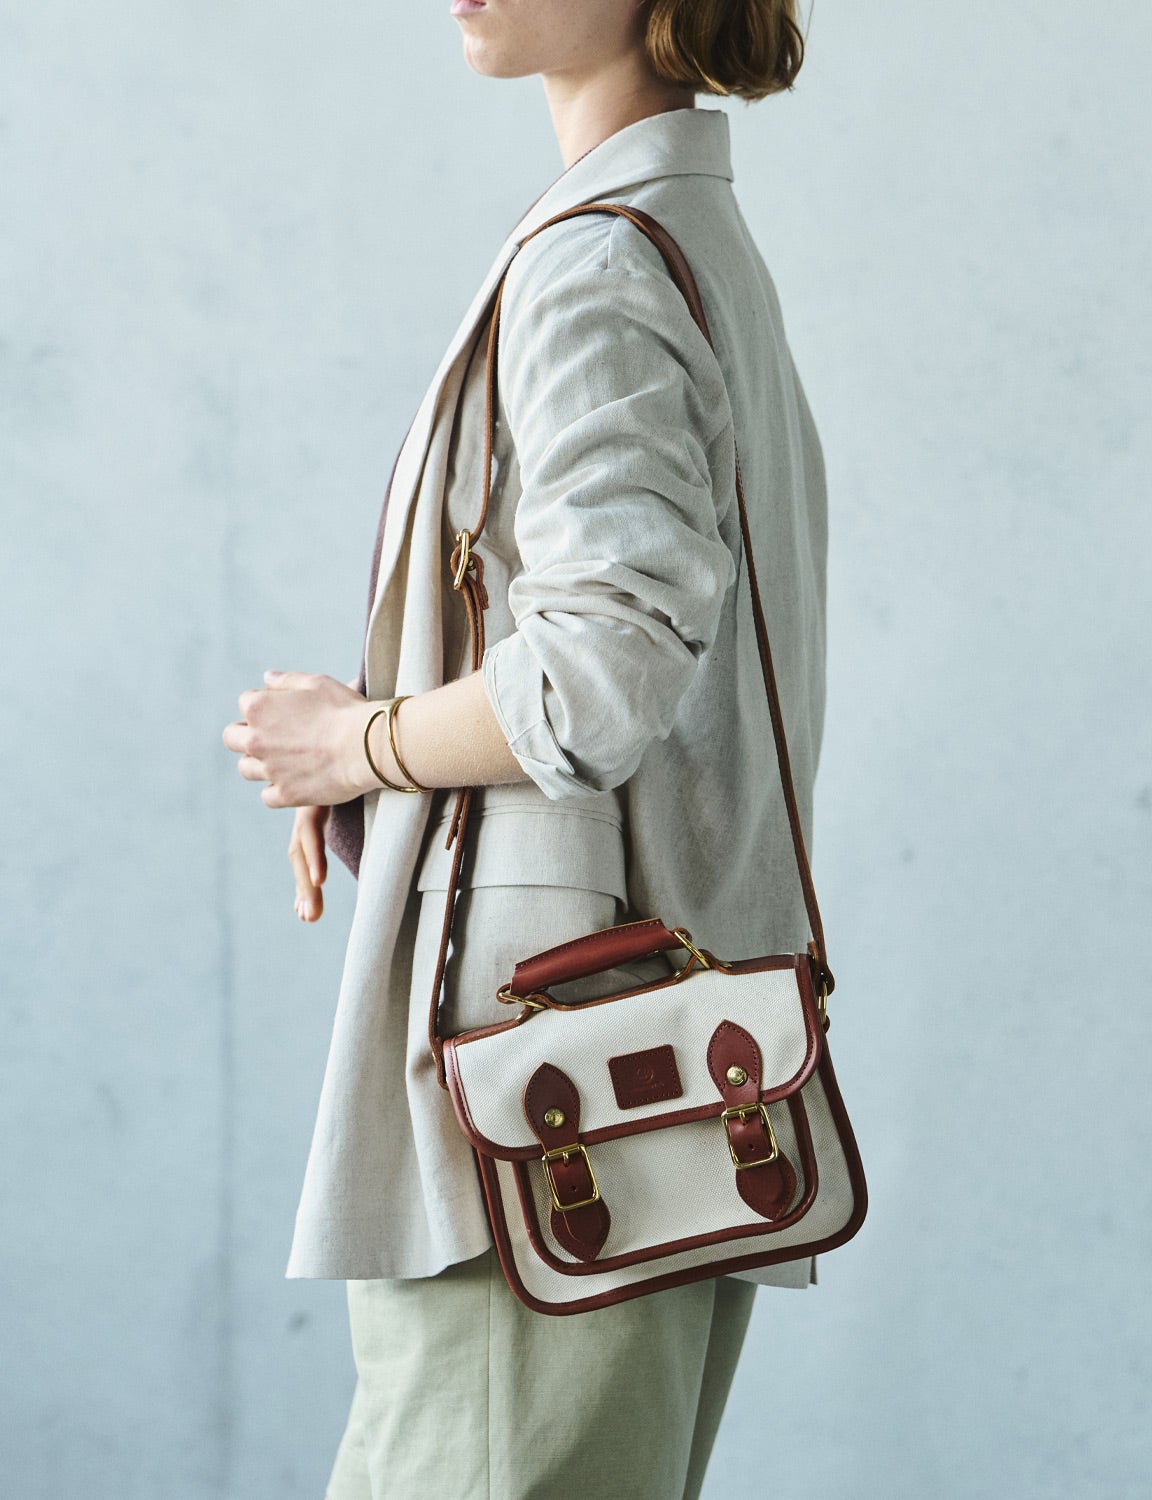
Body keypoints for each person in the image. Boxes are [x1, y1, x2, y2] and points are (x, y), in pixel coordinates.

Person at [222, 0, 827, 1494]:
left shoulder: (597, 264)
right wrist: (398, 754)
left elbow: (597, 673)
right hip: (645, 1073)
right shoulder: (686, 239)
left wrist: (361, 745)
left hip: (547, 1080)